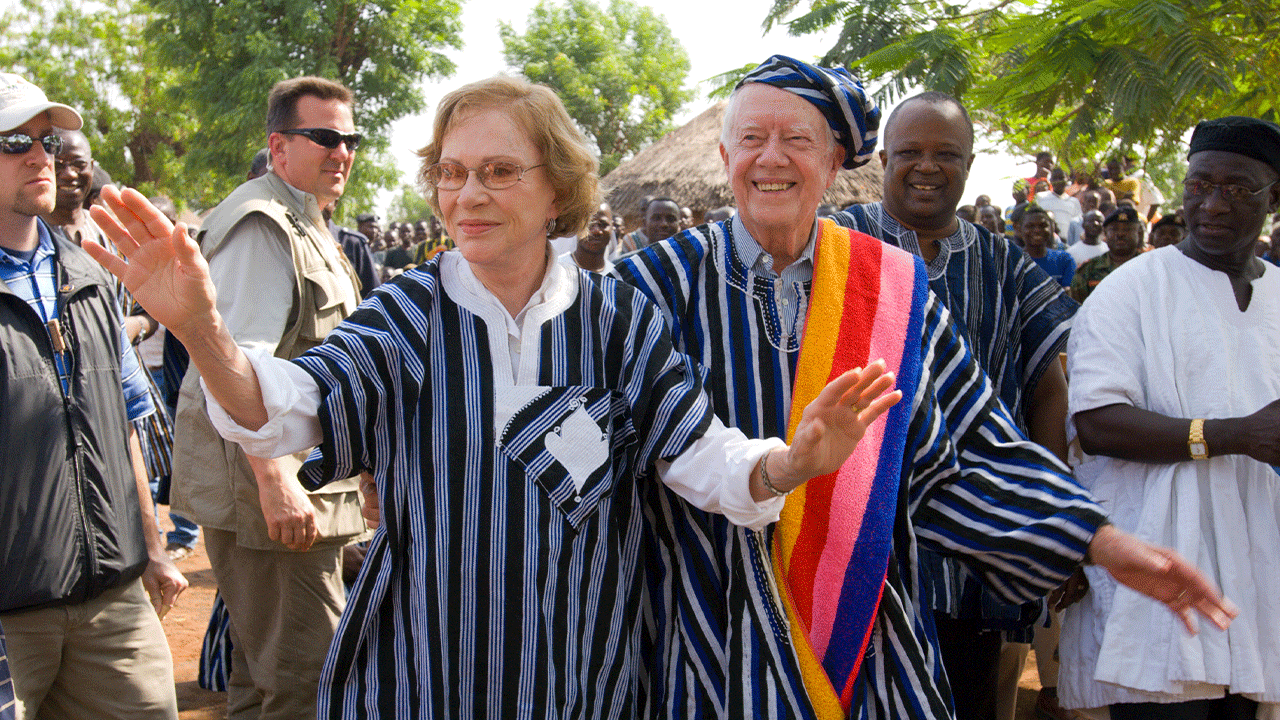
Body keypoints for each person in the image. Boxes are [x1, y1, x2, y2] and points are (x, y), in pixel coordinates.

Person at [88, 74, 904, 720]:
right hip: (419, 682)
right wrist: (201, 329)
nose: (467, 193)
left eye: (498, 171)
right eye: (451, 172)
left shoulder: (616, 318)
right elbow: (287, 407)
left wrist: (788, 463)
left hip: (583, 683)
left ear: (559, 190)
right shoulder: (409, 314)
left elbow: (702, 456)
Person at [613, 56, 1232, 720]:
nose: (772, 158)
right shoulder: (648, 288)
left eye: (797, 140)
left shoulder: (890, 289)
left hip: (864, 644)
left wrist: (1102, 543)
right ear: (723, 153)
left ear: (834, 162)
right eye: (752, 139)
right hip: (706, 634)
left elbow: (971, 451)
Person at [830, 90, 1079, 720]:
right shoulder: (838, 245)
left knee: (968, 698)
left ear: (969, 165)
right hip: (854, 543)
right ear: (883, 159)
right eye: (910, 151)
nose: (926, 166)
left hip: (973, 554)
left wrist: (1045, 516)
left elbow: (1048, 387)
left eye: (946, 153)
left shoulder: (1006, 265)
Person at [1061, 115, 1280, 720]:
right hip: (1155, 570)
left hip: (1259, 567)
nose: (1212, 204)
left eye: (1237, 189)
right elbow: (1099, 422)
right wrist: (1237, 435)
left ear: (1274, 198)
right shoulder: (1129, 290)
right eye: (1200, 184)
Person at [166, 75, 370, 720]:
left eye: (350, 139)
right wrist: (276, 479)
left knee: (262, 679)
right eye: (325, 137)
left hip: (300, 491)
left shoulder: (302, 218)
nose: (341, 151)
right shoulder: (263, 225)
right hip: (277, 498)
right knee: (307, 682)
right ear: (279, 147)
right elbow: (237, 367)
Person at [0, 73, 186, 719]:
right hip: (9, 618)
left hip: (113, 596)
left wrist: (153, 550)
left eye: (46, 140)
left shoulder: (86, 273)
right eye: (12, 140)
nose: (38, 156)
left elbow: (122, 423)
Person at [1069, 205, 1144, 302]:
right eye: (1114, 229)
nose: (1120, 234)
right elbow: (1078, 310)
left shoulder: (1150, 267)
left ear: (1138, 233)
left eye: (1127, 229)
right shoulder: (1088, 270)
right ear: (1105, 234)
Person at [325, 203, 380, 298]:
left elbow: (372, 291)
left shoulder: (352, 242)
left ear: (335, 203)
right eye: (370, 227)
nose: (374, 231)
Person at [1019, 204, 1076, 287]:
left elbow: (1069, 294)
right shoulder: (1012, 262)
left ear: (1052, 228)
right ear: (1020, 230)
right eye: (1030, 226)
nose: (1037, 230)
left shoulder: (1064, 260)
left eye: (1043, 226)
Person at [562, 201, 614, 273]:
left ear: (612, 226)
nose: (596, 231)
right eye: (589, 224)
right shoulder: (557, 269)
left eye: (603, 224)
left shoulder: (616, 276)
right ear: (576, 226)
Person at [1037, 167, 1084, 240]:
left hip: (1067, 243)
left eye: (1061, 178)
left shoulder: (1074, 202)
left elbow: (1078, 226)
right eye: (1055, 178)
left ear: (1067, 179)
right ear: (1050, 180)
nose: (1058, 181)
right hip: (1046, 242)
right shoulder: (1040, 198)